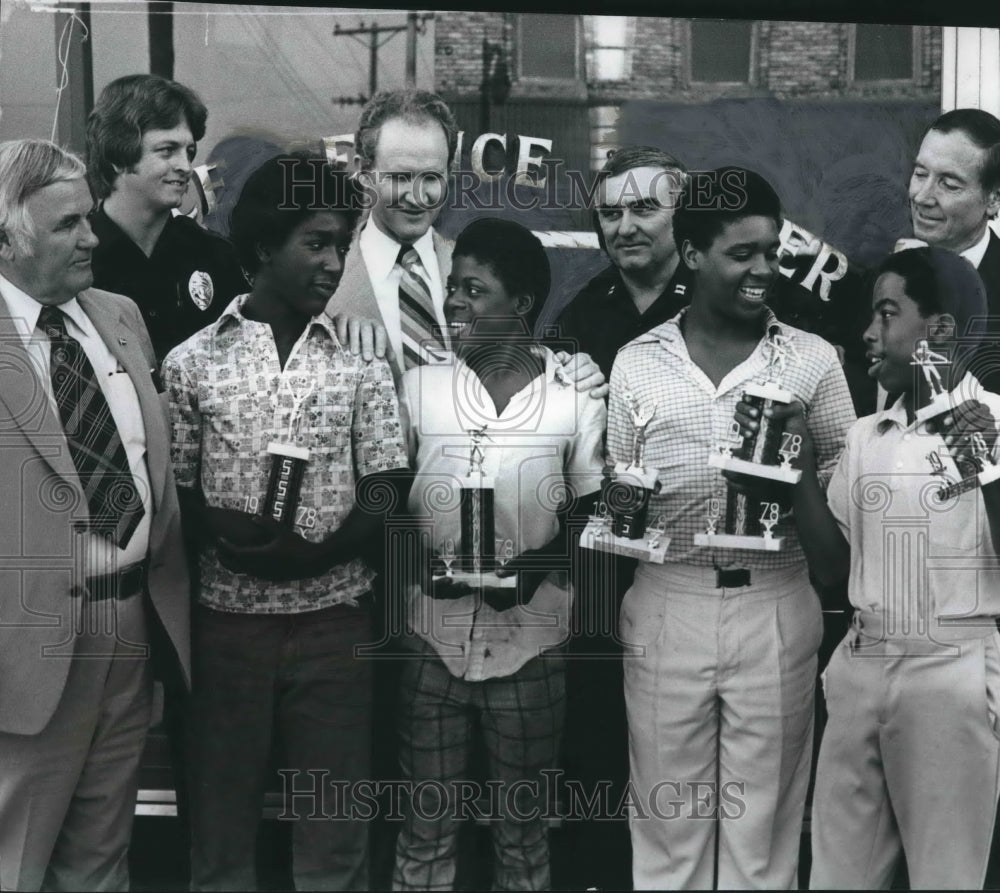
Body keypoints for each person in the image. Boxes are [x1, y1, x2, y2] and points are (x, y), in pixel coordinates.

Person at [162, 153, 409, 891]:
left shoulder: (359, 363)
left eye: (342, 244)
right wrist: (227, 535)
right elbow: (175, 490)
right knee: (221, 830)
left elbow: (388, 481)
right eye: (317, 243)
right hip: (227, 625)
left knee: (334, 835)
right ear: (265, 247)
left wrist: (322, 549)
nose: (335, 262)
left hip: (335, 625)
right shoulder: (192, 362)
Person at [608, 167, 855, 889]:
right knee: (668, 835)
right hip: (667, 598)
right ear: (690, 254)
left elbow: (842, 507)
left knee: (763, 837)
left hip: (776, 599)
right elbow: (626, 483)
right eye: (741, 252)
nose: (763, 269)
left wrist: (797, 465)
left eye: (771, 252)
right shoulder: (636, 365)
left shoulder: (813, 360)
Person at [392, 218, 605, 891]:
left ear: (521, 304)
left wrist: (532, 573)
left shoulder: (573, 396)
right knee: (426, 826)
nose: (454, 302)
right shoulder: (421, 387)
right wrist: (415, 568)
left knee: (523, 830)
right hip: (434, 638)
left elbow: (589, 513)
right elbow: (390, 503)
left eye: (474, 290)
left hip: (531, 643)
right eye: (453, 288)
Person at [0, 138, 190, 891]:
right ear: (7, 239)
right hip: (26, 650)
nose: (91, 237)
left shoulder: (118, 315)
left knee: (101, 865)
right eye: (67, 225)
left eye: (89, 218)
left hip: (131, 628)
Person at [777, 247, 1000, 889]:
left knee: (946, 876)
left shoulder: (996, 421)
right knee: (837, 876)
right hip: (862, 659)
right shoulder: (866, 434)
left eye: (886, 314)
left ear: (940, 330)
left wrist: (985, 466)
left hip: (951, 665)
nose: (868, 334)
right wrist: (798, 468)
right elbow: (831, 571)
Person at [326, 88, 605, 394]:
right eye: (401, 177)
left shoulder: (485, 274)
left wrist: (567, 371)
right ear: (364, 172)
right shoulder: (322, 282)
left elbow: (521, 367)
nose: (418, 196)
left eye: (431, 177)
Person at [86, 73, 248, 361]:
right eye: (167, 150)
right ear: (118, 156)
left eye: (189, 151)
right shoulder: (79, 257)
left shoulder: (217, 255)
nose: (186, 166)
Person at [555, 145, 690, 382]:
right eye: (611, 213)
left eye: (644, 209)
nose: (625, 229)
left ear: (683, 215)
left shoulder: (722, 297)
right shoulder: (582, 312)